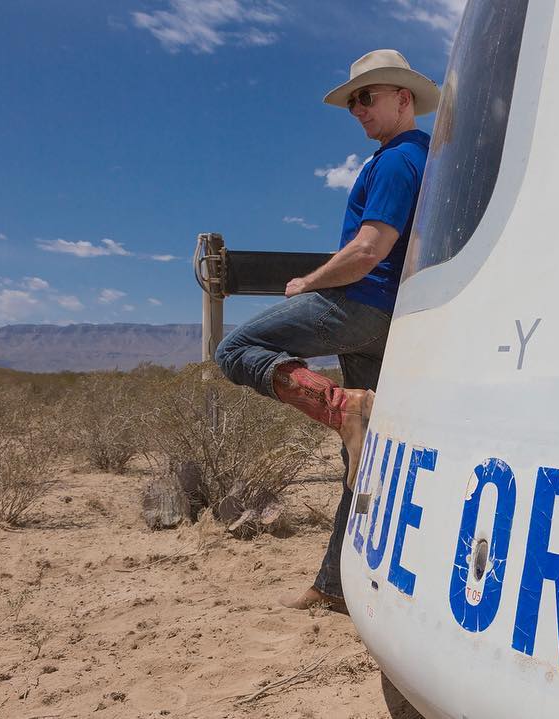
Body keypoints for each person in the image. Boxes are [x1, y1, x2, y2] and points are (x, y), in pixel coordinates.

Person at [214, 49, 439, 611]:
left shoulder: (395, 161)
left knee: (236, 348)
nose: (357, 109)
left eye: (367, 97)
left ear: (403, 98)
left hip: (360, 307)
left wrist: (309, 283)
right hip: (393, 321)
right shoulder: (429, 161)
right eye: (352, 101)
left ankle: (340, 407)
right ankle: (334, 586)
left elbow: (368, 250)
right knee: (363, 461)